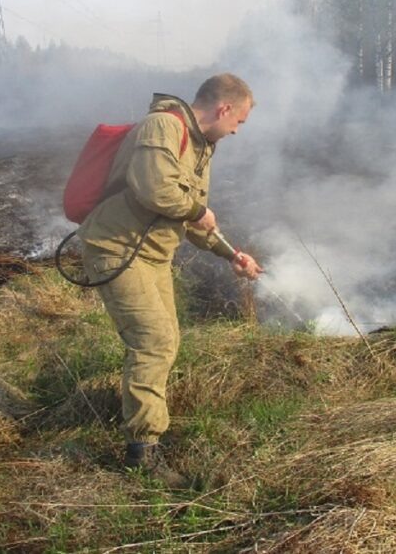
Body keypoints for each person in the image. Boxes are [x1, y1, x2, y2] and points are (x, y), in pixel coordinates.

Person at [77, 73, 262, 488]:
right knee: (154, 340)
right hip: (116, 248)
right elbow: (155, 189)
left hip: (152, 254)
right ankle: (142, 453)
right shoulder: (163, 125)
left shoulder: (199, 145)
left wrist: (232, 255)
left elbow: (188, 214)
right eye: (240, 122)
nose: (237, 131)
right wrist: (198, 212)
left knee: (166, 339)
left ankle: (148, 430)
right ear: (224, 108)